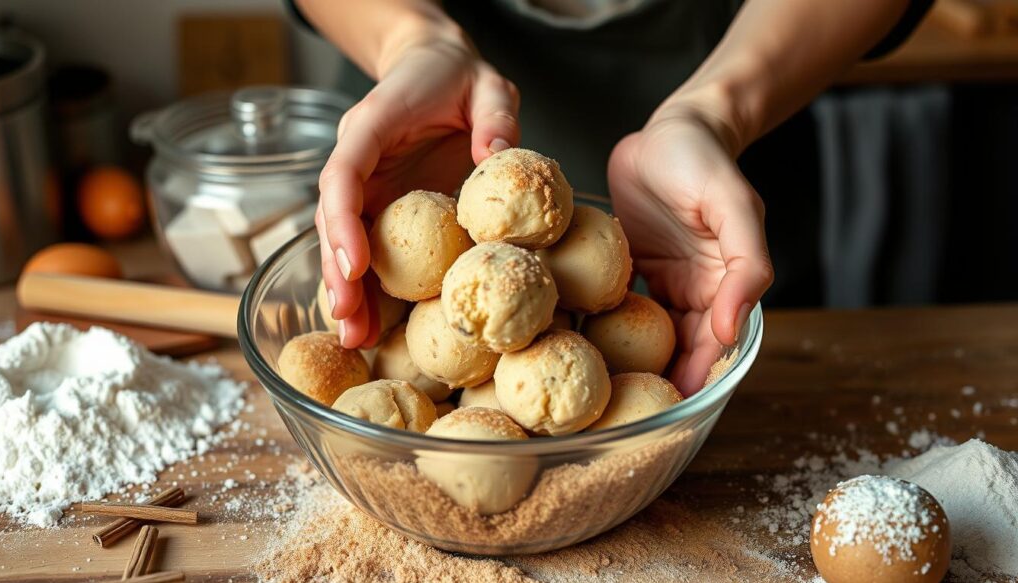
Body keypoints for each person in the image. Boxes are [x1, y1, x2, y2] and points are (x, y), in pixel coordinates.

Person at [292, 0, 929, 391]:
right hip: (421, 145)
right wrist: (414, 40)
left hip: (712, 196)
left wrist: (716, 110)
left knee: (715, 374)